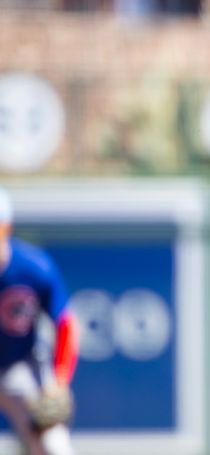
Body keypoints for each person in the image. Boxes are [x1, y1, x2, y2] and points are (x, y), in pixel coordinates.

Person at [0, 188, 79, 455]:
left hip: (19, 365)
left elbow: (65, 323)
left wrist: (58, 380)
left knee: (54, 446)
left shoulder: (33, 268)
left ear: (5, 228)